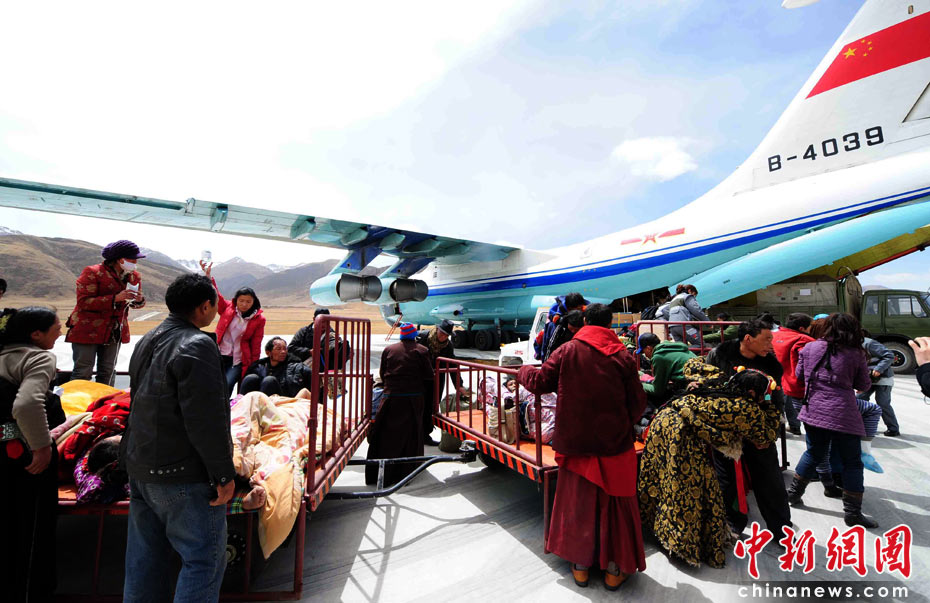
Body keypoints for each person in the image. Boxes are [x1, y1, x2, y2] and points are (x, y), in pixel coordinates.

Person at [122, 273, 236, 602]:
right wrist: (223, 473)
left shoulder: (148, 338)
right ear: (204, 307)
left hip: (141, 468)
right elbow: (206, 418)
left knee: (144, 561)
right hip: (181, 474)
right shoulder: (198, 344)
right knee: (202, 560)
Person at [518, 303, 647, 591]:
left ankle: (580, 568)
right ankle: (614, 570)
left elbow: (539, 381)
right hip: (614, 445)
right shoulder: (623, 356)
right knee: (616, 503)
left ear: (586, 321)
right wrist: (620, 423)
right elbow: (638, 403)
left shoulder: (568, 351)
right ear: (610, 324)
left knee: (578, 503)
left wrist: (523, 370)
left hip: (576, 443)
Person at [639, 360, 780, 568]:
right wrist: (769, 403)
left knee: (662, 480)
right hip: (682, 438)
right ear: (751, 393)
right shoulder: (745, 408)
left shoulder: (719, 383)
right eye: (764, 394)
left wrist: (695, 382)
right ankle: (682, 545)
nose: (764, 398)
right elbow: (767, 435)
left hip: (662, 423)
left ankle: (655, 528)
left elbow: (692, 364)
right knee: (686, 491)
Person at [787, 313, 877, 528]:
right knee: (852, 462)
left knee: (813, 453)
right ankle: (852, 514)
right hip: (843, 413)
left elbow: (799, 375)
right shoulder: (855, 353)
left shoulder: (809, 347)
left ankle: (793, 495)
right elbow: (863, 385)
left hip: (813, 410)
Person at [0, 306, 63, 601]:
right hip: (24, 455)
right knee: (32, 528)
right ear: (36, 334)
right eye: (56, 328)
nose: (60, 332)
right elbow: (26, 404)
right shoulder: (37, 358)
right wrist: (41, 448)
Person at [706, 319, 791, 537]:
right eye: (766, 339)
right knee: (728, 482)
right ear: (748, 339)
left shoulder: (771, 365)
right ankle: (733, 525)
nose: (771, 345)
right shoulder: (719, 356)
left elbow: (776, 400)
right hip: (726, 431)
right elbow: (709, 389)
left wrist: (768, 433)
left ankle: (781, 529)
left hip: (758, 432)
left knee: (770, 481)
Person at [65, 239, 146, 386]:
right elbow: (84, 302)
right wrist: (115, 298)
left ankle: (105, 400)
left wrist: (138, 300)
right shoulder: (93, 272)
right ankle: (77, 400)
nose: (135, 262)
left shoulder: (134, 276)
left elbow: (133, 304)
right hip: (87, 329)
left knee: (107, 371)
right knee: (83, 371)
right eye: (132, 259)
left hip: (114, 330)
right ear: (120, 259)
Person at [366, 323, 434, 487]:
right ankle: (407, 472)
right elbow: (428, 376)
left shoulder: (389, 350)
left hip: (391, 398)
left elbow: (383, 374)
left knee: (387, 435)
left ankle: (381, 472)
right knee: (411, 435)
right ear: (414, 336)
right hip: (413, 399)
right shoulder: (422, 351)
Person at [202, 261, 265, 398]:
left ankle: (227, 409)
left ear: (254, 302)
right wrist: (208, 277)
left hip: (238, 359)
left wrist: (254, 363)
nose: (244, 304)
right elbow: (216, 296)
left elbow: (256, 342)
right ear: (236, 300)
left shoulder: (258, 319)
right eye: (241, 301)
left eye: (248, 301)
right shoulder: (227, 308)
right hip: (218, 354)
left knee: (228, 384)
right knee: (213, 384)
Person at [416, 319, 467, 446]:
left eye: (446, 335)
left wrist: (459, 385)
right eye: (442, 333)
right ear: (437, 329)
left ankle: (425, 435)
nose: (443, 337)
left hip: (436, 381)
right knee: (417, 406)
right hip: (419, 380)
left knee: (431, 407)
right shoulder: (423, 337)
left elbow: (452, 366)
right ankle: (413, 434)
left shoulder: (448, 346)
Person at [772, 312, 814, 435]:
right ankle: (795, 427)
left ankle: (782, 428)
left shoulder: (774, 336)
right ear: (802, 328)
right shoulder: (805, 340)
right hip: (799, 386)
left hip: (778, 381)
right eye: (811, 326)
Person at [240, 337, 311, 397]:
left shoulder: (296, 367)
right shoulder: (259, 367)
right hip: (259, 400)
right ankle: (240, 406)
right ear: (268, 353)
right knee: (251, 378)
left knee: (269, 380)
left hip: (282, 401)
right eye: (278, 349)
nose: (283, 352)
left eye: (285, 349)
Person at [858, 334, 899, 437]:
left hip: (883, 378)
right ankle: (860, 426)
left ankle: (893, 428)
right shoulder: (848, 345)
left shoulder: (869, 343)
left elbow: (889, 355)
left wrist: (878, 369)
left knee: (883, 403)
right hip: (867, 379)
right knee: (859, 399)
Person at [640, 336, 695, 408]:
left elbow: (657, 391)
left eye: (643, 352)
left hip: (690, 387)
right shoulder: (672, 348)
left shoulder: (658, 357)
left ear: (648, 348)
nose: (645, 355)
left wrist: (639, 384)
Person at [534, 292, 588, 361]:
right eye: (573, 309)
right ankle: (538, 353)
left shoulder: (586, 310)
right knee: (542, 336)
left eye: (579, 309)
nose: (576, 311)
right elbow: (549, 347)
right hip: (556, 323)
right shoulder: (557, 315)